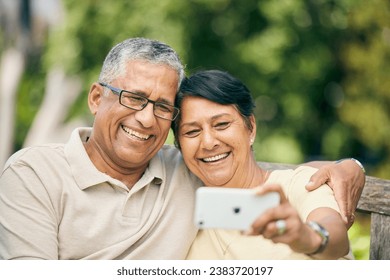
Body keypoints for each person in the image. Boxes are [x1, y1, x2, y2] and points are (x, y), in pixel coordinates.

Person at [0, 38, 364, 260]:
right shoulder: (34, 176)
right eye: (134, 98)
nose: (146, 119)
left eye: (162, 106)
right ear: (97, 98)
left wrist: (348, 166)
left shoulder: (185, 172)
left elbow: (265, 183)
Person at [171, 69, 354, 259]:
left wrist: (307, 237)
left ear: (251, 128)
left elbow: (334, 232)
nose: (208, 143)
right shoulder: (183, 202)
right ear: (179, 144)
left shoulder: (300, 183)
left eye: (222, 124)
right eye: (192, 132)